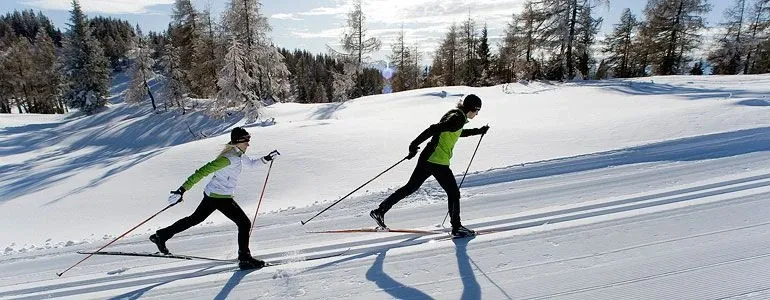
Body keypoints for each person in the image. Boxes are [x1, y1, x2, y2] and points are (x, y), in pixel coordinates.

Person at [149, 127, 280, 269]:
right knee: (244, 224)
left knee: (194, 219)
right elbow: (202, 172)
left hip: (215, 195)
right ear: (237, 141)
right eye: (246, 141)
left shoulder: (238, 154)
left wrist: (266, 158)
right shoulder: (227, 159)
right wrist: (182, 190)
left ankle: (161, 236)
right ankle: (244, 258)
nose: (248, 144)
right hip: (220, 197)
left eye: (249, 140)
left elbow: (252, 164)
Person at [370, 94, 489, 237]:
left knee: (410, 188)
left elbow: (455, 132)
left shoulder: (456, 116)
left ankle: (379, 211)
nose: (477, 114)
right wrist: (413, 144)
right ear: (472, 108)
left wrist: (478, 131)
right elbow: (434, 128)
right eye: (477, 110)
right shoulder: (457, 119)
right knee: (453, 193)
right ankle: (457, 227)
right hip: (437, 161)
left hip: (427, 158)